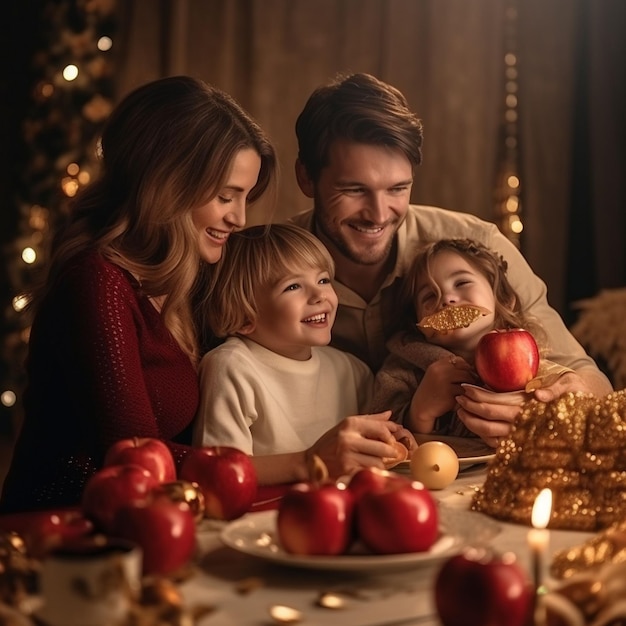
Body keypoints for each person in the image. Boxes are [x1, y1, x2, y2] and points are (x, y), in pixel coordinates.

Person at [0, 76, 277, 513]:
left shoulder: (183, 280)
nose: (239, 218)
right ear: (168, 185)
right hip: (62, 539)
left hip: (145, 525)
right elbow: (138, 454)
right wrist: (308, 462)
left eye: (246, 198)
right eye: (227, 196)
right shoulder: (98, 282)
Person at [290, 72, 613, 444]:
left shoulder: (478, 246)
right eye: (354, 190)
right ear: (306, 178)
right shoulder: (266, 266)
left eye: (398, 188)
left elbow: (590, 381)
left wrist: (553, 403)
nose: (378, 214)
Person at [193, 223, 416, 484]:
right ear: (243, 316)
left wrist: (390, 444)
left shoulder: (352, 371)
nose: (319, 295)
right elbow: (221, 473)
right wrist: (310, 462)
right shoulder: (230, 367)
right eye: (292, 287)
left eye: (323, 280)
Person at [370, 238, 571, 447]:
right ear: (417, 323)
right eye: (429, 296)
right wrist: (419, 413)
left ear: (502, 298)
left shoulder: (533, 361)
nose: (446, 299)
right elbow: (379, 434)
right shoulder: (401, 370)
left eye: (461, 283)